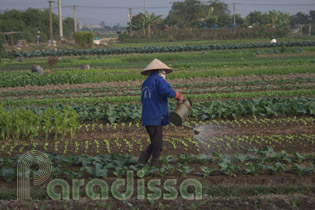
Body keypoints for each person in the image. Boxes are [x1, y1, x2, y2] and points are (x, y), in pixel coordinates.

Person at [138, 58, 183, 166]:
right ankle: (155, 164)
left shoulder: (146, 83)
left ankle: (141, 161)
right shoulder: (158, 80)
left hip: (147, 117)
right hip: (155, 116)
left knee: (154, 142)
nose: (164, 74)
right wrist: (177, 94)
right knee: (158, 144)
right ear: (159, 71)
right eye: (163, 72)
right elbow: (167, 91)